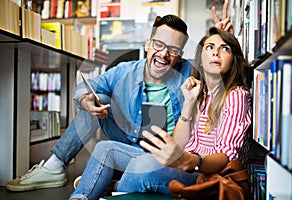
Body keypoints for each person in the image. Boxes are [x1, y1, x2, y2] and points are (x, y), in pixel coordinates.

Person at [6, 2, 232, 192]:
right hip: (129, 142)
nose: (163, 54)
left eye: (172, 50)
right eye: (158, 45)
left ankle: (113, 178)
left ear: (181, 55)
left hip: (166, 154)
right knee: (97, 97)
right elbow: (87, 88)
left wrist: (221, 39)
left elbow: (215, 66)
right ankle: (54, 166)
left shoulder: (188, 71)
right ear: (148, 44)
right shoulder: (125, 70)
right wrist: (86, 100)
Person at [68, 26, 252, 200]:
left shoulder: (236, 96)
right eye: (210, 47)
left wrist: (191, 161)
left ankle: (112, 188)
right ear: (201, 59)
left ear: (233, 59)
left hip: (205, 174)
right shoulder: (199, 92)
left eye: (225, 48)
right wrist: (188, 102)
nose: (215, 52)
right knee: (105, 148)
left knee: (142, 167)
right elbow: (181, 143)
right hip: (182, 162)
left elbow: (227, 157)